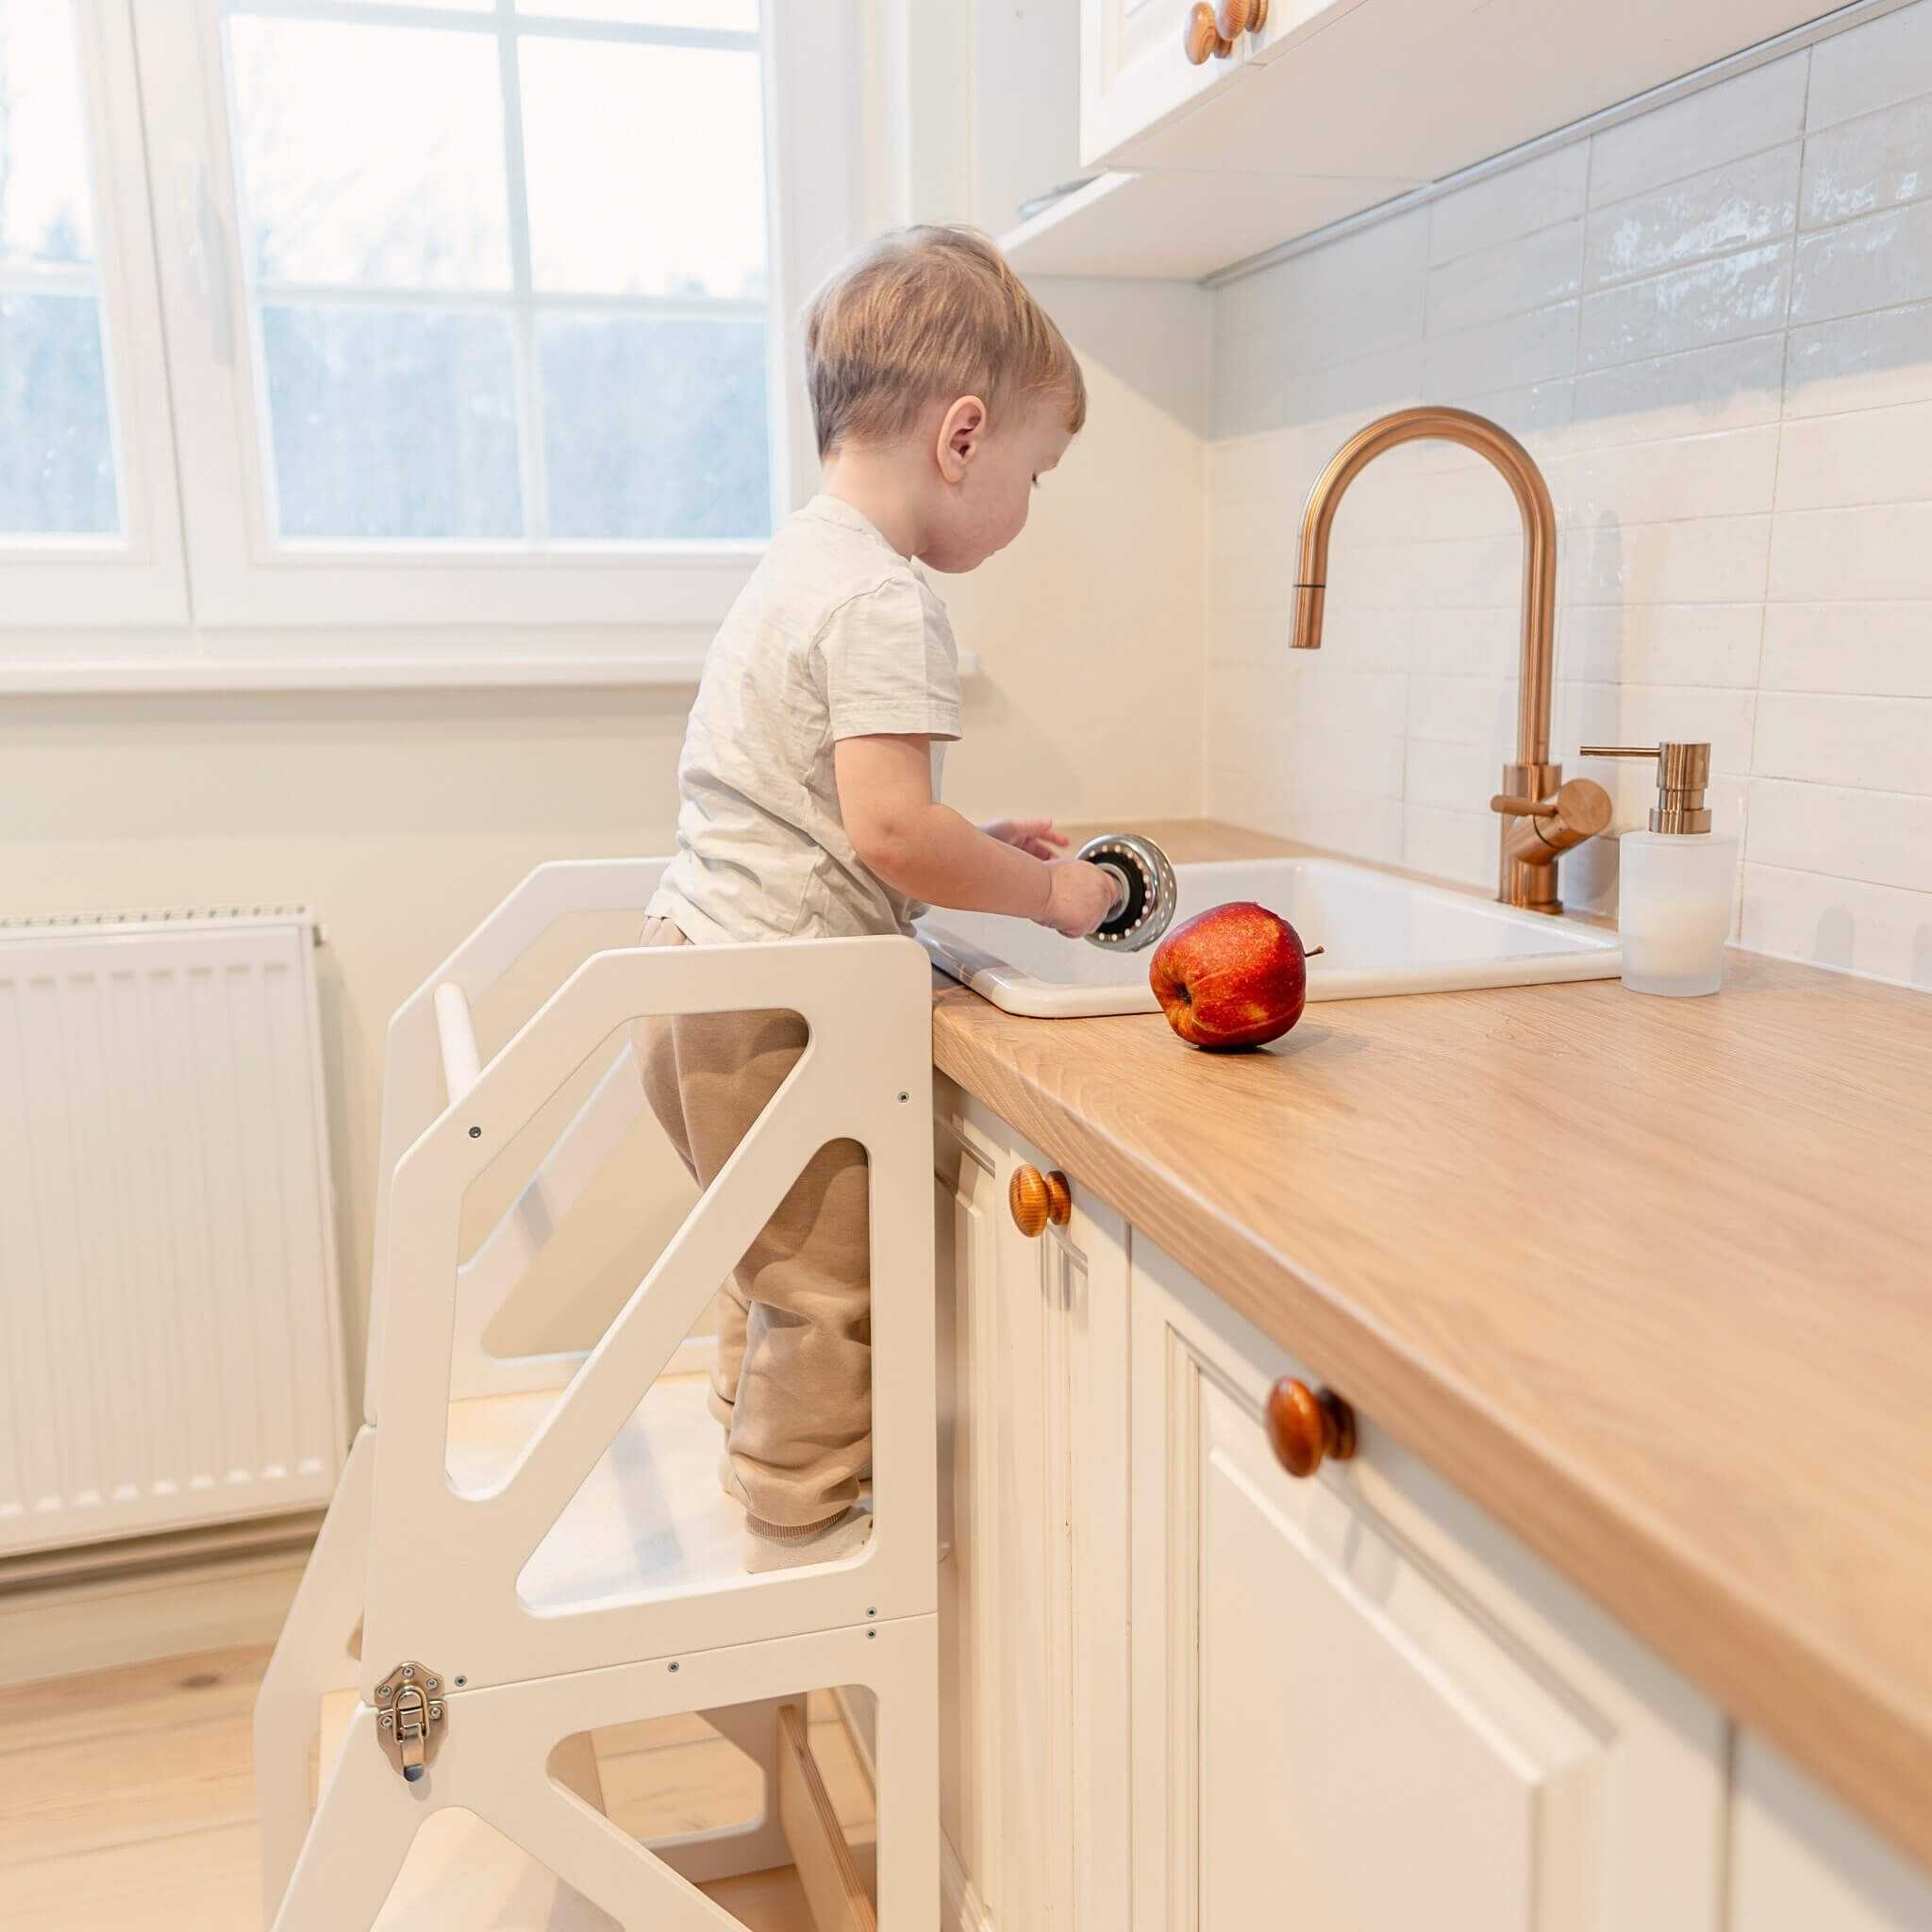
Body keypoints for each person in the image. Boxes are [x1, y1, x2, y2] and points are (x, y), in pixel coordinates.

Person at [636, 225, 1116, 1571]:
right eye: (1037, 471)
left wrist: (979, 843)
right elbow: (894, 830)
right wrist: (1047, 890)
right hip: (771, 1007)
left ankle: (752, 1467)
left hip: (692, 970)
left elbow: (833, 806)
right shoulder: (886, 601)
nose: (1029, 504)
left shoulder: (803, 559)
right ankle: (800, 1536)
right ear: (963, 437)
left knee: (766, 1261)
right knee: (830, 1289)